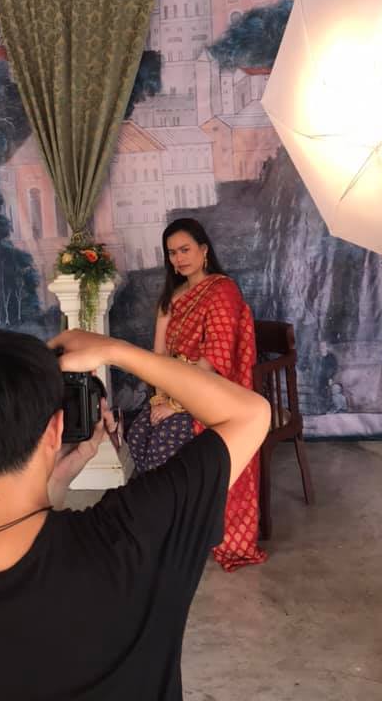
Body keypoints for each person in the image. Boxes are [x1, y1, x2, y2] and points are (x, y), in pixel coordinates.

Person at [0, 328, 270, 701]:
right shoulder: (133, 536)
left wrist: (58, 478)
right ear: (56, 428)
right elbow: (249, 414)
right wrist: (115, 350)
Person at [127, 218, 267, 570]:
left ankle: (175, 533)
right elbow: (158, 356)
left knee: (165, 440)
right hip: (173, 387)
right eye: (172, 253)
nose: (179, 258)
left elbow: (215, 358)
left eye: (185, 249)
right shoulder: (171, 297)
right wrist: (159, 397)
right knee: (139, 433)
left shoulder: (222, 290)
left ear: (204, 250)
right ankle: (163, 525)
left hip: (210, 392)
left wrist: (177, 404)